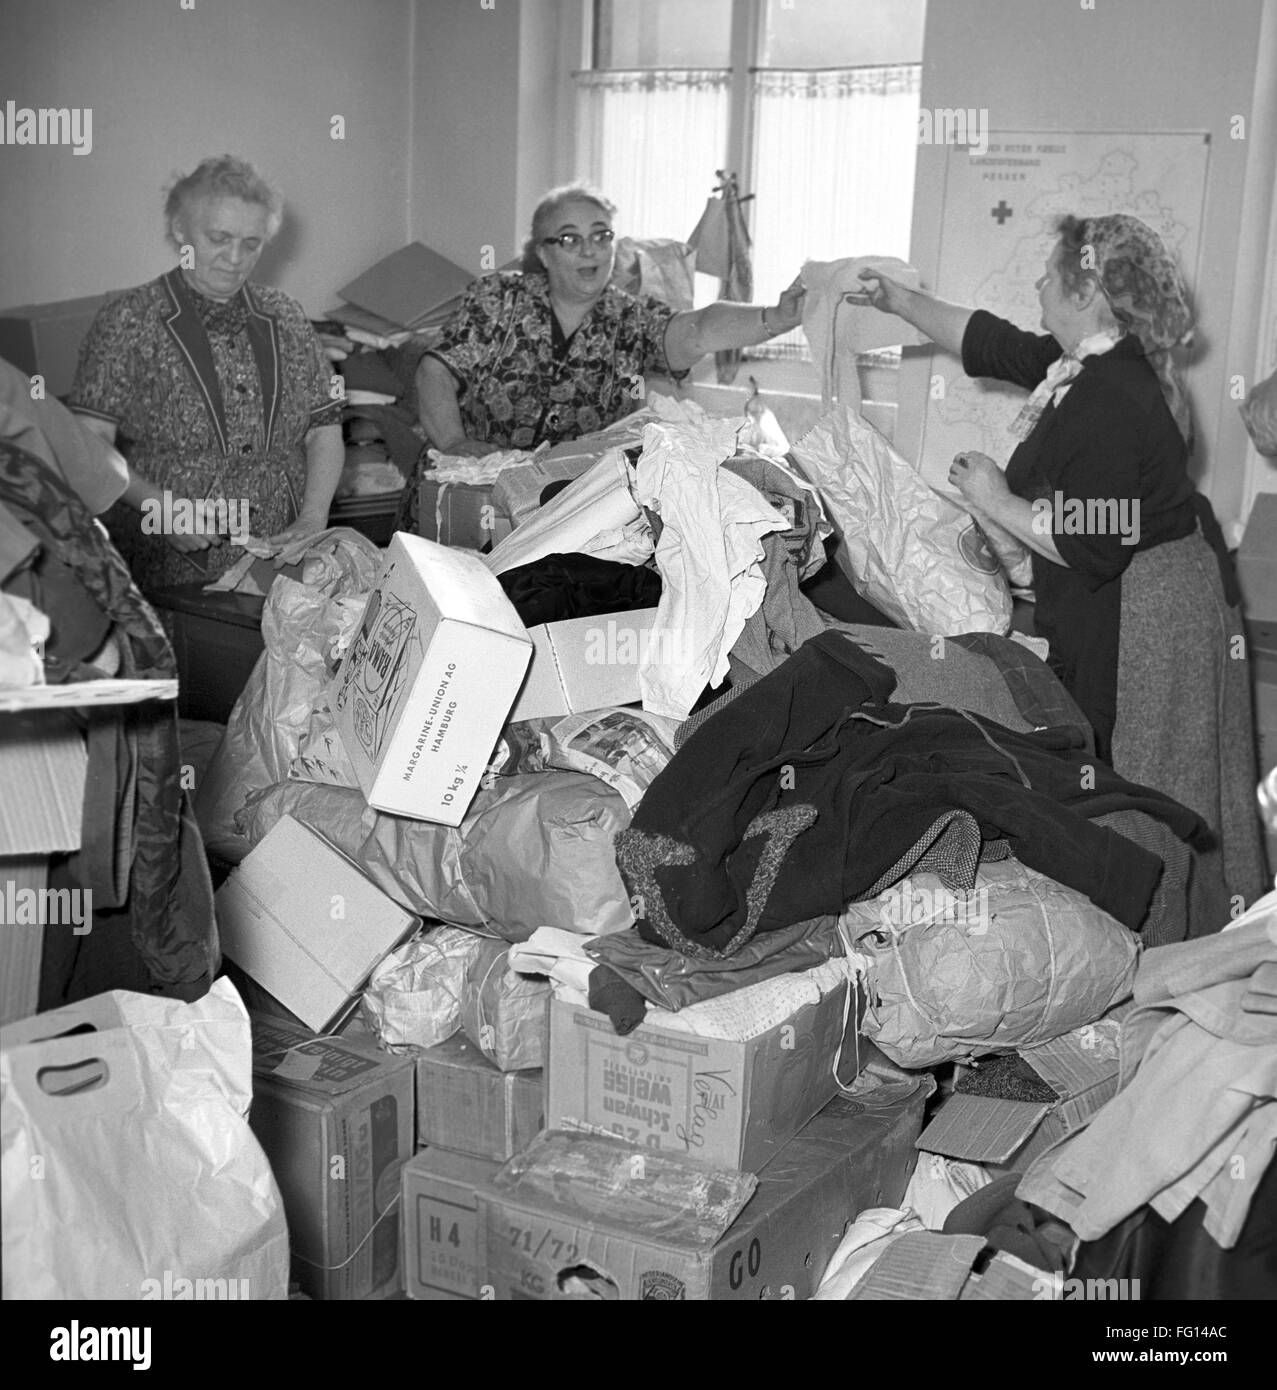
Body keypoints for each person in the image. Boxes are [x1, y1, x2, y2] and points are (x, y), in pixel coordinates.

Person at [859, 213, 1267, 923]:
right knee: (1140, 780)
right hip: (1139, 589)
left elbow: (1093, 537)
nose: (1036, 282)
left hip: (1151, 615)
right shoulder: (1082, 365)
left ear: (1085, 295)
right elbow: (991, 342)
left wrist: (995, 498)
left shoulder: (1108, 397)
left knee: (1149, 788)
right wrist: (897, 300)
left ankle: (1162, 943)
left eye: (1049, 275)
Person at [398, 182, 805, 519]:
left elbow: (698, 329)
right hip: (466, 497)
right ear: (542, 252)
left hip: (558, 507)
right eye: (570, 238)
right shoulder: (497, 299)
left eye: (601, 235)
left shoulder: (630, 318)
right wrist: (454, 445)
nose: (589, 249)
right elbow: (433, 372)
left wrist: (777, 317)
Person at [69, 155, 344, 593]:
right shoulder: (128, 320)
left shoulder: (286, 316)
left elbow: (323, 428)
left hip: (285, 555)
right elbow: (86, 444)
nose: (235, 258)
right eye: (219, 238)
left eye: (252, 243)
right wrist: (159, 508)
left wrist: (314, 516)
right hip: (174, 560)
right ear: (181, 229)